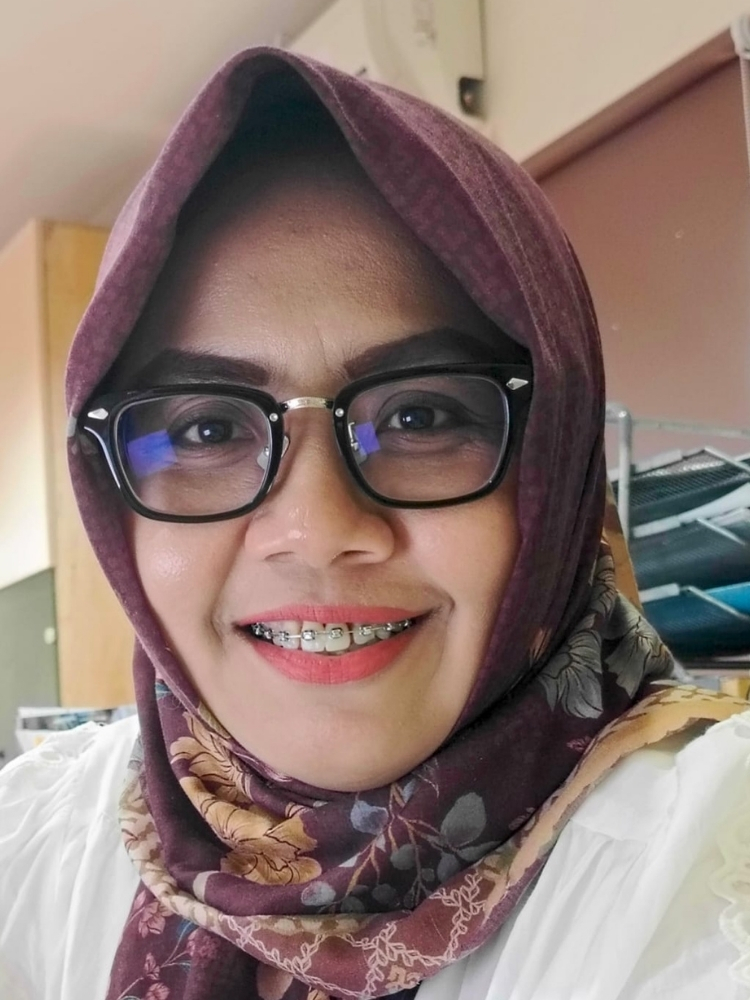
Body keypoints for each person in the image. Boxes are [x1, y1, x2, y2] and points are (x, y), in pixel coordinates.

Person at [1, 47, 749, 1000]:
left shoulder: (702, 875)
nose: (315, 529)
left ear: (555, 460)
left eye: (421, 416)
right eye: (206, 430)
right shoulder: (41, 846)